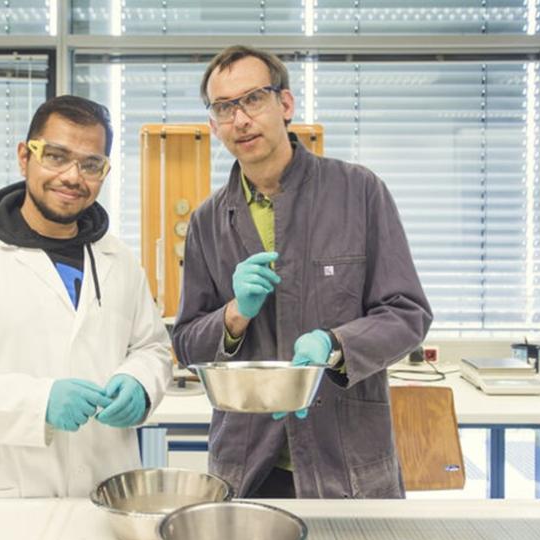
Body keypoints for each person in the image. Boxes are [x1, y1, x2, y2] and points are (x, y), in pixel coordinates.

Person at [172, 46, 432, 499]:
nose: (240, 119)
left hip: (345, 459)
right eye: (224, 108)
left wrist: (335, 345)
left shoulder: (359, 192)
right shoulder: (208, 221)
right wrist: (233, 316)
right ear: (213, 125)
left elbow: (407, 315)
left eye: (253, 99)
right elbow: (186, 344)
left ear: (285, 104)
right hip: (248, 464)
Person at [0, 95, 172, 497]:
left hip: (107, 496)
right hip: (5, 504)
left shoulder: (119, 259)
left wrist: (140, 382)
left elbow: (152, 348)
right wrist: (38, 403)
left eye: (91, 164)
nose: (73, 176)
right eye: (56, 156)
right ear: (25, 157)